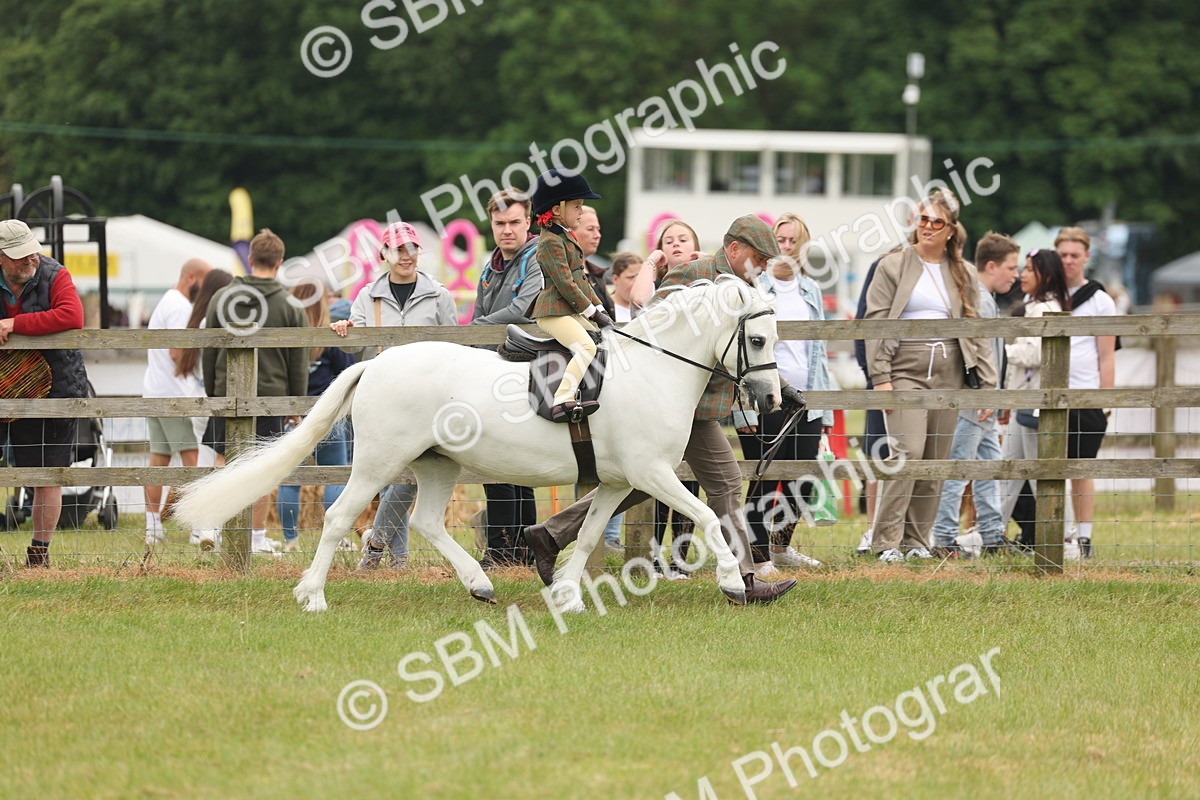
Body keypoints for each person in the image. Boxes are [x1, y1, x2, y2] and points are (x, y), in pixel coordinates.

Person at [524, 214, 803, 605]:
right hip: (673, 407)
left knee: (639, 479)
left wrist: (782, 386)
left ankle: (551, 534)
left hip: (699, 407)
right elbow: (651, 326)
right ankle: (744, 580)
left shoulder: (747, 286)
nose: (761, 267)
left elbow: (750, 347)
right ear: (734, 247)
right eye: (758, 258)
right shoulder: (694, 274)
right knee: (723, 484)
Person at [864, 189, 996, 563]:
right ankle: (886, 542)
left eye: (937, 222)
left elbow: (976, 329)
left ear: (951, 230)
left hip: (950, 369)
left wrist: (988, 384)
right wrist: (880, 376)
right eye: (923, 219)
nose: (928, 227)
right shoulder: (892, 265)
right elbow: (875, 322)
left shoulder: (963, 271)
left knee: (935, 461)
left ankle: (916, 541)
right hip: (904, 366)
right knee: (908, 452)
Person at [332, 221, 457, 570]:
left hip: (428, 400)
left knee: (411, 476)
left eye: (412, 248)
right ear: (384, 254)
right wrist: (345, 330)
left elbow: (455, 347)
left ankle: (376, 545)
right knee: (386, 476)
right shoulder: (367, 296)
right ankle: (398, 560)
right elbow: (355, 347)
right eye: (399, 249)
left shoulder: (439, 295)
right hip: (383, 399)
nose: (406, 255)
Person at [202, 228, 308, 555]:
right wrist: (296, 403)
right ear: (279, 262)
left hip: (226, 389)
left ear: (249, 259)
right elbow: (298, 359)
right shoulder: (291, 305)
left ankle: (212, 526)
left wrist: (212, 391)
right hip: (271, 395)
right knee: (264, 468)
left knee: (223, 460)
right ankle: (257, 537)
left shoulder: (221, 298)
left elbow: (208, 349)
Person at [737, 213, 831, 576]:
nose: (786, 247)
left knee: (801, 476)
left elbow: (819, 350)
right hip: (765, 397)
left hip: (806, 398)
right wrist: (743, 411)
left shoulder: (812, 290)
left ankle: (780, 545)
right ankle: (756, 554)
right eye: (781, 240)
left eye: (793, 241)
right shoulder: (755, 288)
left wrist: (824, 408)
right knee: (763, 475)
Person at [0, 220, 88, 568]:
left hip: (56, 388)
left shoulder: (55, 274)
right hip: (4, 387)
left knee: (48, 473)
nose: (30, 260)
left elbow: (72, 315)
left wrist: (15, 325)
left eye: (32, 252)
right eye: (19, 255)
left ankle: (39, 556)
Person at [929, 232, 1021, 556]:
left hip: (984, 399)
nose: (1016, 274)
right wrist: (985, 393)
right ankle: (943, 538)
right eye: (1011, 267)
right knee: (958, 469)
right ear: (991, 266)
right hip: (975, 398)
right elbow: (978, 351)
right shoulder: (978, 299)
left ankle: (993, 535)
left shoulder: (983, 298)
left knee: (988, 468)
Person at [471, 188, 543, 568]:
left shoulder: (537, 258)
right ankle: (511, 550)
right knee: (497, 459)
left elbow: (521, 309)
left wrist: (474, 330)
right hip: (490, 370)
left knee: (512, 461)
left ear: (528, 221)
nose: (507, 230)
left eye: (515, 222)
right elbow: (480, 311)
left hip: (524, 371)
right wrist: (476, 332)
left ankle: (513, 550)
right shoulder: (491, 267)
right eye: (500, 223)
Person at [631, 219, 704, 577]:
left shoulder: (705, 285)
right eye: (668, 240)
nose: (675, 244)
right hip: (656, 397)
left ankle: (681, 558)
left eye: (682, 239)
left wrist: (705, 262)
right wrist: (650, 262)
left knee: (689, 480)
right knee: (658, 480)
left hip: (692, 398)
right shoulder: (658, 287)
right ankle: (654, 556)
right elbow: (639, 299)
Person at [275, 283, 355, 553]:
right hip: (328, 416)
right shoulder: (330, 338)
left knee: (290, 478)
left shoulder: (284, 338)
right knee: (334, 475)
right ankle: (336, 538)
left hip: (292, 417)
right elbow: (348, 373)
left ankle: (290, 541)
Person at [998, 249, 1072, 541]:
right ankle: (990, 531)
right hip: (1023, 401)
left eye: (1029, 269)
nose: (1022, 275)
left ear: (1047, 276)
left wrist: (999, 352)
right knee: (1008, 470)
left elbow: (1036, 353)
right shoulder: (1033, 306)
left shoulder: (1046, 308)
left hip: (1037, 404)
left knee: (1043, 474)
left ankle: (1066, 538)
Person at [528, 169, 612, 422]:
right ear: (557, 210)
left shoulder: (565, 237)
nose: (581, 212)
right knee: (586, 347)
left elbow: (580, 279)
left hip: (567, 309)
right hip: (552, 312)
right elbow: (566, 284)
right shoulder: (549, 243)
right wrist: (591, 312)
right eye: (577, 206)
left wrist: (600, 308)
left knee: (601, 338)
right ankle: (562, 399)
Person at [142, 258, 212, 547]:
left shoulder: (166, 301)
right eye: (204, 282)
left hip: (155, 390)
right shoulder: (181, 306)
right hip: (175, 395)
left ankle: (152, 526)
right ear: (191, 277)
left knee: (159, 460)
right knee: (192, 460)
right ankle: (197, 527)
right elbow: (177, 351)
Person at [1056, 227, 1115, 559]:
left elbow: (1106, 354)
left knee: (1081, 467)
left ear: (1086, 257)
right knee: (1049, 468)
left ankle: (1085, 536)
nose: (1068, 261)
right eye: (1063, 254)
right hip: (1048, 394)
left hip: (1085, 392)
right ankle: (1052, 533)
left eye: (1074, 255)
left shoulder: (1099, 300)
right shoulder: (1045, 293)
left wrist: (1106, 399)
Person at [574, 205, 616, 319]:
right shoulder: (562, 273)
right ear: (570, 233)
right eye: (590, 229)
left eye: (598, 229)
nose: (598, 235)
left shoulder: (598, 273)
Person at [609, 252, 642, 322]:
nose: (637, 283)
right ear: (615, 279)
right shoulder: (605, 309)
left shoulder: (646, 308)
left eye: (640, 277)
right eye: (631, 277)